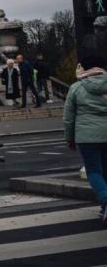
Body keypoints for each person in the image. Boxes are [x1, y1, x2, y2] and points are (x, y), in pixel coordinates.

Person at [63, 54, 107, 225]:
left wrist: (70, 138)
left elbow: (69, 117)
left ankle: (105, 200)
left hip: (87, 136)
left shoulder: (76, 88)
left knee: (94, 171)